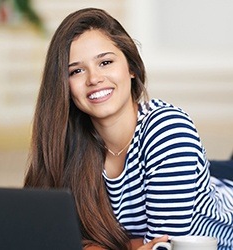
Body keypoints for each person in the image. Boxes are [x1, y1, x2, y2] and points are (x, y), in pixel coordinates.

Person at [24, 7, 233, 250]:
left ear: (131, 68)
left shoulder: (167, 130)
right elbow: (49, 236)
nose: (94, 78)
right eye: (77, 70)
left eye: (105, 62)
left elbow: (163, 246)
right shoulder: (69, 143)